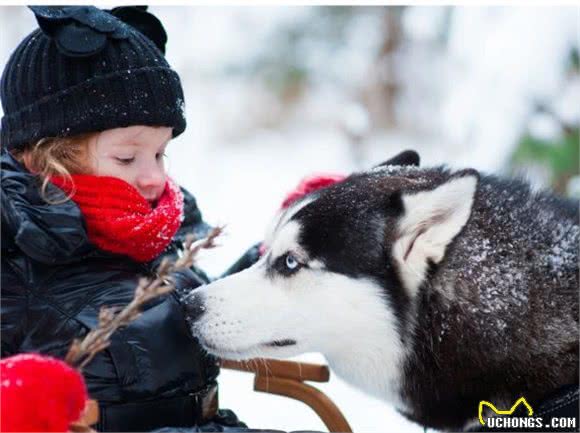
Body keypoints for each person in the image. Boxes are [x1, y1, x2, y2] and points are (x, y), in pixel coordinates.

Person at [0, 6, 262, 432]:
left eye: (161, 153)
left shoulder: (152, 231)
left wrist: (283, 253)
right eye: (127, 156)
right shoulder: (15, 245)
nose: (155, 176)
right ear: (49, 156)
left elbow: (181, 316)